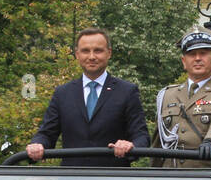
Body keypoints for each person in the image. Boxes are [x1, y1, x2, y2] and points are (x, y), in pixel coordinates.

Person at [26, 28, 148, 167]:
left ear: (109, 53)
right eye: (85, 51)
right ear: (77, 54)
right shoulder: (62, 93)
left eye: (98, 50)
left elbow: (142, 137)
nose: (91, 56)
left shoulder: (127, 91)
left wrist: (130, 145)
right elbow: (47, 134)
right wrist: (37, 145)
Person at [151, 31, 211, 168]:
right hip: (170, 179)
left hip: (207, 177)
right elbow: (159, 142)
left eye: (203, 53)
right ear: (184, 61)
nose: (197, 58)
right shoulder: (167, 95)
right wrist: (153, 177)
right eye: (192, 54)